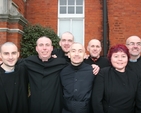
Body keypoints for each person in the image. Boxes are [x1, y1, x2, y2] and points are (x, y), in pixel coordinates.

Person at [92, 44, 141, 113]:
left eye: (123, 56)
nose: (120, 59)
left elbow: (139, 102)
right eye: (116, 56)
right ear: (110, 58)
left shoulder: (134, 76)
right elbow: (96, 100)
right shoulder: (103, 73)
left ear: (128, 58)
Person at [24, 36, 67, 113]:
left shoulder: (61, 63)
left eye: (47, 45)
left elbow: (76, 66)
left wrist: (90, 64)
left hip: (55, 107)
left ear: (52, 48)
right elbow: (11, 64)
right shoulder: (28, 62)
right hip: (34, 107)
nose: (44, 48)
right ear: (36, 48)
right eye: (41, 45)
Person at [60, 42, 95, 113]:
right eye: (73, 51)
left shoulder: (93, 71)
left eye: (80, 51)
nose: (76, 54)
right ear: (69, 55)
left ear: (85, 55)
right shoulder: (62, 72)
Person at [0, 42, 28, 113]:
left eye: (13, 53)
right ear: (0, 55)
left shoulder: (23, 70)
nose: (10, 57)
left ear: (18, 54)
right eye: (6, 53)